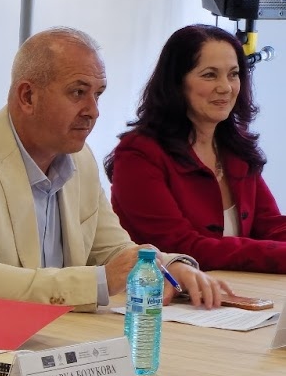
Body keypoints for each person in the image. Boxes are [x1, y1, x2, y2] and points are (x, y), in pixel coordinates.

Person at [0, 27, 229, 311]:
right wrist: (100, 281)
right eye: (78, 92)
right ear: (27, 97)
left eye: (98, 94)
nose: (93, 111)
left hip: (44, 337)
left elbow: (111, 250)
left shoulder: (79, 158)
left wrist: (169, 265)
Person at [106, 24, 286, 273]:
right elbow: (182, 248)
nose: (225, 87)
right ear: (177, 83)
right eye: (210, 75)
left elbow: (270, 225)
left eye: (233, 74)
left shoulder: (235, 147)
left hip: (232, 290)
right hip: (164, 294)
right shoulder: (138, 154)